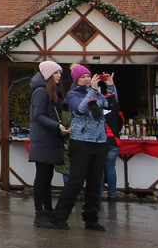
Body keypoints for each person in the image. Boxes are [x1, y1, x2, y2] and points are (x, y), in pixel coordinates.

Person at [48, 65, 115, 231]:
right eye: (83, 76)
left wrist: (111, 87)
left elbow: (110, 105)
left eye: (88, 76)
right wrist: (92, 91)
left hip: (99, 142)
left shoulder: (97, 93)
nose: (86, 78)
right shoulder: (73, 94)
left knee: (95, 182)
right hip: (81, 142)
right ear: (76, 79)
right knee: (76, 181)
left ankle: (91, 218)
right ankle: (59, 217)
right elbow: (80, 109)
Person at [29, 61, 68, 228]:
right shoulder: (40, 92)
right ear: (48, 75)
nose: (59, 75)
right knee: (42, 177)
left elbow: (53, 115)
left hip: (50, 139)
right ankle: (40, 213)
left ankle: (48, 209)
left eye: (59, 73)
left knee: (47, 177)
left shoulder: (52, 91)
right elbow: (38, 115)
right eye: (56, 73)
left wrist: (60, 136)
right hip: (43, 140)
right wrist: (56, 126)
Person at [102, 84, 125, 201]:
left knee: (100, 169)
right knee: (111, 168)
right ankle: (112, 194)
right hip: (114, 141)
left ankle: (99, 193)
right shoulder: (116, 110)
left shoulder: (99, 109)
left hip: (102, 141)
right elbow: (121, 123)